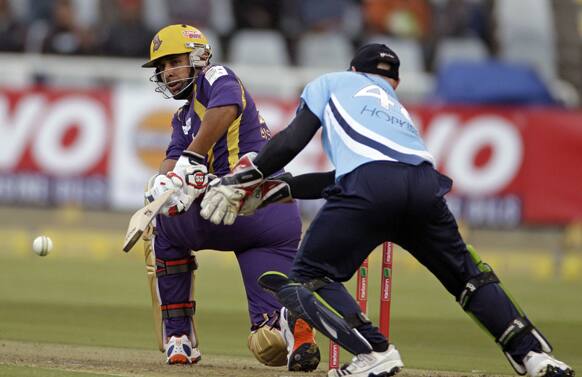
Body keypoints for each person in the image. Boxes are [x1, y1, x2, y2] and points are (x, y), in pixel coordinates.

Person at [199, 43, 576, 377]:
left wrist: (245, 178)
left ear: (351, 71)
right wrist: (282, 188)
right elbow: (354, 173)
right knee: (468, 278)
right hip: (425, 186)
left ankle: (373, 351)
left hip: (369, 187)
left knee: (308, 276)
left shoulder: (330, 82)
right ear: (393, 81)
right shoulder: (394, 106)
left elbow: (292, 140)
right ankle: (534, 356)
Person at [139, 24, 320, 371]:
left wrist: (186, 169)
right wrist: (161, 183)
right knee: (269, 345)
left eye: (173, 61)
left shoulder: (216, 77)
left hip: (229, 207)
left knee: (160, 222)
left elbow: (227, 106)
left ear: (198, 57)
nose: (166, 72)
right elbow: (172, 157)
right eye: (161, 67)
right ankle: (292, 327)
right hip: (276, 216)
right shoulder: (184, 116)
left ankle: (179, 338)